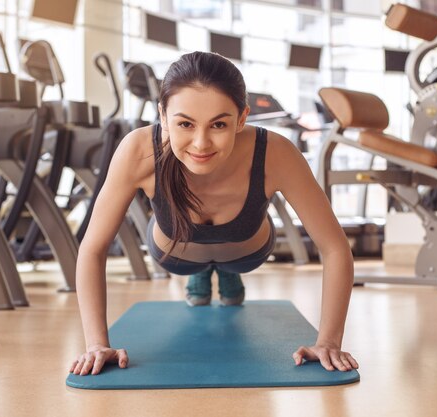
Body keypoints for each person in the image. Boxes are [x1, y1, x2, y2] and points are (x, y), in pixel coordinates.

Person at [70, 51, 358, 376]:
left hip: (246, 252)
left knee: (230, 262)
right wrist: (95, 344)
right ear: (163, 116)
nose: (201, 143)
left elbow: (335, 247)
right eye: (185, 124)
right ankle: (203, 272)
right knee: (192, 254)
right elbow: (92, 248)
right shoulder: (138, 150)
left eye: (219, 124)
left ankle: (224, 272)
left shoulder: (276, 153)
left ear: (242, 118)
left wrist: (329, 342)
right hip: (175, 254)